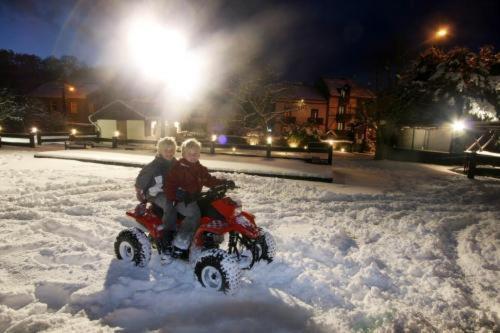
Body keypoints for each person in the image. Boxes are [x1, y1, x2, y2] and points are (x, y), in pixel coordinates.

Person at [165, 138, 234, 258]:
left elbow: (209, 180)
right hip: (181, 200)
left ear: (199, 154)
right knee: (194, 214)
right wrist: (177, 194)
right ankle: (180, 243)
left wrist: (223, 183)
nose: (193, 156)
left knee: (214, 208)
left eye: (196, 154)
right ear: (183, 154)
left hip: (194, 198)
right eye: (189, 154)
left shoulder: (199, 168)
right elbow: (169, 185)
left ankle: (211, 238)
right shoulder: (178, 168)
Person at [135, 137, 178, 252]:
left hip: (171, 191)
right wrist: (141, 195)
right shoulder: (153, 167)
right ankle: (167, 236)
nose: (169, 153)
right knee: (169, 203)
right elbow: (140, 181)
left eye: (171, 150)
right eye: (166, 150)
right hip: (155, 193)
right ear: (159, 151)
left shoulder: (176, 164)